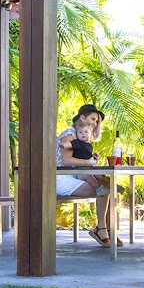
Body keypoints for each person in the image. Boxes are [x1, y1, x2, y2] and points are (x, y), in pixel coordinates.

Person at [56, 104, 122, 248]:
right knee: (105, 189)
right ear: (82, 117)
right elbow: (66, 161)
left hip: (74, 176)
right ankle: (102, 229)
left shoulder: (83, 135)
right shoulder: (71, 134)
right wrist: (88, 162)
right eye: (93, 119)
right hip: (60, 178)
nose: (95, 123)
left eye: (97, 121)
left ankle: (108, 229)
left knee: (108, 185)